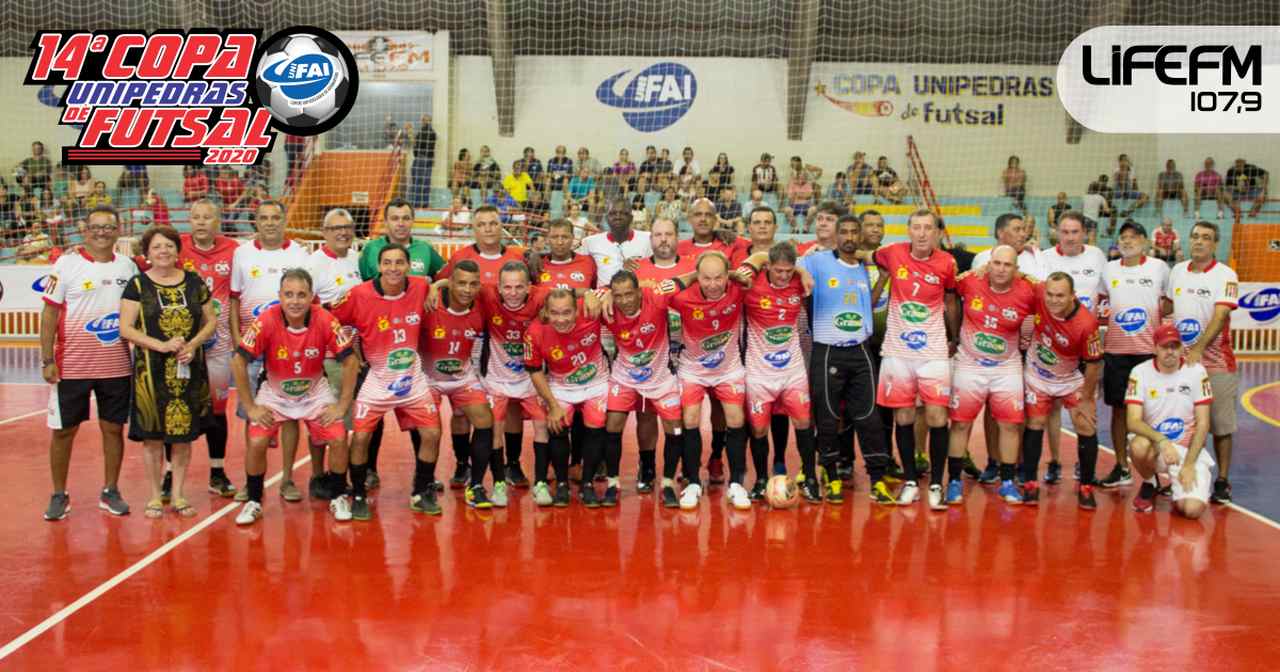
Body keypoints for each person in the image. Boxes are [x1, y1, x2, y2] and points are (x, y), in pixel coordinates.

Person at [231, 269, 359, 525]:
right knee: (256, 442)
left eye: (301, 295)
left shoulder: (324, 318)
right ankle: (254, 501)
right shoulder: (266, 320)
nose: (295, 301)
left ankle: (337, 496)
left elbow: (351, 360)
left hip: (313, 392)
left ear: (312, 296)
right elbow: (238, 361)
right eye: (288, 294)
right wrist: (251, 407)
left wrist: (342, 405)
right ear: (279, 296)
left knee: (337, 437)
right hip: (276, 393)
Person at [330, 244, 443, 519]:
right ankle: (357, 494)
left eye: (399, 263)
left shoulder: (418, 286)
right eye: (388, 263)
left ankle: (421, 490)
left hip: (411, 378)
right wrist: (348, 353)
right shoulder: (358, 294)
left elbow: (449, 275)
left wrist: (436, 285)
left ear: (408, 266)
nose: (394, 268)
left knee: (432, 433)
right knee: (361, 439)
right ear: (379, 266)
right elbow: (329, 318)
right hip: (377, 379)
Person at [41, 207, 137, 520]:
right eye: (96, 227)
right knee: (64, 431)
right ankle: (58, 493)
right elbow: (50, 314)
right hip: (72, 366)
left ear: (118, 229)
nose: (102, 232)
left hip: (117, 367)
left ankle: (111, 490)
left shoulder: (128, 266)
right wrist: (46, 359)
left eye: (109, 226)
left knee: (113, 429)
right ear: (85, 230)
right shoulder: (66, 264)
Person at [120, 226, 218, 520]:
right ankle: (154, 495)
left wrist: (193, 344)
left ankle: (178, 494)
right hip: (150, 370)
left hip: (188, 366)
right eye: (157, 247)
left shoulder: (194, 282)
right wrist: (161, 346)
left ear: (178, 250)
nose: (163, 252)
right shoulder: (137, 285)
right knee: (152, 436)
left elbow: (210, 321)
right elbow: (126, 328)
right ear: (147, 253)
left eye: (169, 246)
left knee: (182, 437)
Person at [871, 209, 959, 510]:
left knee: (937, 417)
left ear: (937, 233)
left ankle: (936, 484)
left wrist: (954, 337)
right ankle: (910, 481)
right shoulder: (891, 253)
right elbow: (860, 253)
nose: (922, 234)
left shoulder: (947, 262)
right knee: (904, 417)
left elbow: (950, 300)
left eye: (928, 228)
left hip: (932, 350)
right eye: (917, 228)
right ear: (908, 230)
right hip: (897, 351)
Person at [356, 199, 447, 489]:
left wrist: (435, 286)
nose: (400, 223)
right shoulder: (371, 250)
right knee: (376, 410)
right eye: (395, 218)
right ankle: (369, 469)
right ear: (386, 222)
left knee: (418, 408)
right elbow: (368, 292)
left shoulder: (424, 250)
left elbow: (446, 277)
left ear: (413, 220)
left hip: (416, 342)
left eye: (406, 217)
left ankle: (425, 479)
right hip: (381, 344)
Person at [666, 251, 765, 510]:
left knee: (736, 419)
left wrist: (734, 274)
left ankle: (737, 484)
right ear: (697, 278)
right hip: (693, 370)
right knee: (689, 419)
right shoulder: (682, 297)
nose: (712, 284)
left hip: (728, 369)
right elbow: (649, 291)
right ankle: (693, 483)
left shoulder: (738, 289)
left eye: (719, 278)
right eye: (706, 278)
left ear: (727, 276)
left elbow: (763, 255)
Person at [229, 200, 310, 502]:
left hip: (288, 349)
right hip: (253, 349)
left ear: (284, 220)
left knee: (289, 415)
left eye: (276, 217)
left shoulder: (299, 253)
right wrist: (240, 340)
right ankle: (251, 482)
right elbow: (235, 300)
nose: (270, 223)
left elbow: (307, 301)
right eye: (264, 218)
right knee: (252, 415)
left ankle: (287, 479)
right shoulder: (242, 253)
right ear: (256, 222)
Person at [946, 246, 1037, 507]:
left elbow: (1056, 291)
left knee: (1009, 425)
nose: (1000, 269)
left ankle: (1007, 482)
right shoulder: (971, 281)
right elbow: (945, 281)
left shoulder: (1028, 290)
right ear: (988, 264)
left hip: (1006, 366)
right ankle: (953, 481)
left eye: (1008, 265)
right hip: (969, 364)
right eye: (996, 263)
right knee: (961, 424)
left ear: (1016, 269)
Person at [1168, 221, 1239, 503]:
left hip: (1216, 363)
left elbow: (1220, 315)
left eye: (1205, 238)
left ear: (1214, 244)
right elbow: (1167, 309)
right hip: (1180, 365)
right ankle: (1178, 477)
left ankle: (1222, 480)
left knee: (1221, 426)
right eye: (1195, 236)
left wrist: (1197, 349)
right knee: (1183, 424)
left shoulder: (1226, 275)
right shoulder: (1177, 271)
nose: (1198, 242)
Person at [1097, 220, 1170, 490]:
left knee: (1153, 412)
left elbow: (1169, 304)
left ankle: (1160, 473)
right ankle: (1122, 467)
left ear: (1144, 241)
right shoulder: (1109, 269)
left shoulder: (1159, 268)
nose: (1127, 241)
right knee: (1119, 410)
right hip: (1116, 351)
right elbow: (1101, 301)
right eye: (1123, 237)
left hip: (1149, 353)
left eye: (1133, 237)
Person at [174, 199, 239, 499]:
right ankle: (169, 476)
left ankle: (217, 472)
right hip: (181, 344)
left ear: (218, 220)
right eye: (195, 217)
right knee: (176, 407)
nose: (200, 222)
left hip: (219, 344)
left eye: (207, 217)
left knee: (216, 410)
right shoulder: (176, 247)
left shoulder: (235, 250)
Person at [1022, 272, 1103, 509]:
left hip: (1071, 377)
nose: (1053, 300)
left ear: (1072, 296)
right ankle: (1029, 483)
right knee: (1035, 423)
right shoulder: (1039, 292)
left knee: (1085, 423)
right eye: (1050, 294)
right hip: (1038, 372)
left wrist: (1086, 399)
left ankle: (1086, 486)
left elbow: (1094, 363)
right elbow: (1017, 273)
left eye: (1060, 296)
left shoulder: (1086, 324)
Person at [422, 261, 500, 508]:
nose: (467, 289)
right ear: (451, 282)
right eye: (461, 283)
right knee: (429, 429)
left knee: (485, 420)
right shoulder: (429, 303)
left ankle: (475, 485)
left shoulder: (482, 304)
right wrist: (436, 285)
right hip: (428, 378)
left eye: (473, 284)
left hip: (463, 376)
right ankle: (424, 481)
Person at [474, 262, 552, 500]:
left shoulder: (543, 296)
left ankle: (540, 484)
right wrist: (437, 287)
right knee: (495, 429)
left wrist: (592, 295)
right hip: (497, 378)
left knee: (542, 426)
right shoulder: (486, 293)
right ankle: (498, 483)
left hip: (531, 378)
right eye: (507, 287)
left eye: (519, 287)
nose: (513, 292)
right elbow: (452, 283)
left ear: (530, 287)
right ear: (498, 287)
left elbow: (572, 294)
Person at [525, 289, 610, 507]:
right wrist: (552, 405)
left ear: (577, 309)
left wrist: (598, 294)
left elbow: (612, 289)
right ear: (546, 311)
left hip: (596, 382)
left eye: (567, 313)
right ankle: (562, 483)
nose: (561, 319)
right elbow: (534, 371)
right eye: (555, 313)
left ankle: (587, 484)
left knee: (596, 426)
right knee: (557, 426)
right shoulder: (534, 332)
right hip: (560, 386)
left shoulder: (590, 310)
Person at [1041, 211, 1109, 480]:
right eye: (1065, 232)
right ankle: (1055, 460)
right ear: (1057, 232)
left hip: (1087, 343)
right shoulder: (1045, 258)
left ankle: (1085, 463)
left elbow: (1110, 290)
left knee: (1087, 402)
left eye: (1075, 232)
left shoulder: (1096, 256)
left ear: (1084, 234)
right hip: (1054, 344)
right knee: (1052, 408)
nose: (1069, 237)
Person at [305, 208, 364, 499]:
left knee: (347, 420)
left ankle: (341, 475)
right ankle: (317, 476)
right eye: (336, 228)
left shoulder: (357, 259)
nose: (343, 232)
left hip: (355, 355)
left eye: (347, 227)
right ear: (324, 232)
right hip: (327, 356)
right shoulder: (313, 264)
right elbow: (307, 310)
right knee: (322, 417)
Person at [1125, 324, 1214, 518]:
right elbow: (1132, 421)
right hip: (1157, 448)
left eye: (1174, 346)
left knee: (1191, 511)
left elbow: (1203, 424)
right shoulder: (1139, 372)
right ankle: (1150, 483)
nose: (1170, 352)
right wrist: (1162, 441)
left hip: (1187, 449)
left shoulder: (1197, 372)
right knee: (1138, 445)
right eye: (1165, 347)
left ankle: (1179, 491)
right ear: (1155, 348)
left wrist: (1189, 464)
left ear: (1182, 348)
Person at [533, 218, 597, 290]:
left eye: (565, 237)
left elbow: (596, 291)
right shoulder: (536, 264)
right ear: (547, 239)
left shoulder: (588, 262)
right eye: (554, 237)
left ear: (573, 238)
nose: (560, 242)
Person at [410, 114, 437, 208]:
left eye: (424, 120)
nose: (423, 122)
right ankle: (425, 204)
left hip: (421, 158)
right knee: (426, 183)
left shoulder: (424, 132)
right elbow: (431, 148)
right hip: (427, 159)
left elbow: (416, 145)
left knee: (417, 182)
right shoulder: (432, 132)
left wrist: (410, 133)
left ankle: (416, 205)